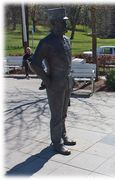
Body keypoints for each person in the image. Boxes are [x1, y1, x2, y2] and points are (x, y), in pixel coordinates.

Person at [30, 8, 76, 155]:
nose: (66, 24)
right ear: (55, 23)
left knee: (63, 113)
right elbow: (34, 63)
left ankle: (63, 135)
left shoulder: (66, 40)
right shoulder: (46, 42)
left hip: (67, 81)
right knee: (56, 115)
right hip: (55, 83)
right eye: (63, 22)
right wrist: (46, 80)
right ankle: (56, 142)